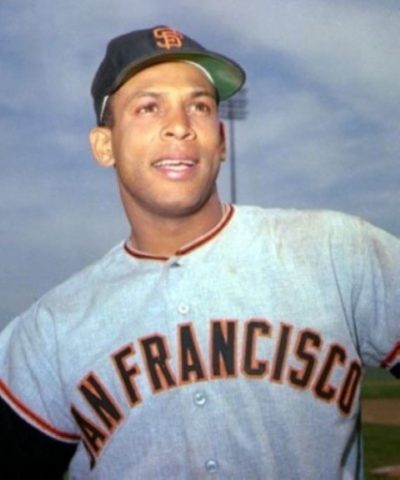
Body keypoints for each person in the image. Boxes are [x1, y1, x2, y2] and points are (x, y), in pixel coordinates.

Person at [0, 25, 399, 480]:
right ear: (104, 145)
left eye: (200, 106)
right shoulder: (51, 330)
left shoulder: (336, 251)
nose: (181, 125)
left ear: (221, 140)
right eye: (148, 107)